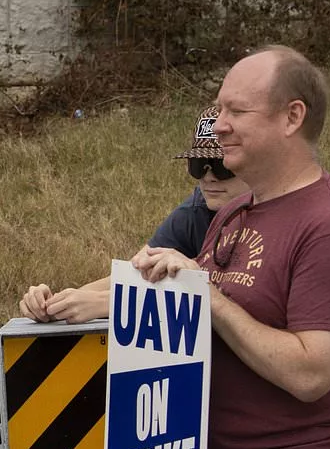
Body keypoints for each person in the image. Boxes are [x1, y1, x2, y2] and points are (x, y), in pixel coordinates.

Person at [134, 46, 330, 449]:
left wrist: (211, 299)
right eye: (221, 109)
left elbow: (310, 374)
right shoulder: (234, 209)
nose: (221, 126)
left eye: (238, 111)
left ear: (292, 117)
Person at [18, 105, 250, 324]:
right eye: (198, 165)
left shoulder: (276, 218)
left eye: (221, 166)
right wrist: (57, 303)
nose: (208, 178)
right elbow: (137, 273)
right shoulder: (196, 211)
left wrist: (113, 303)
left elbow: (242, 306)